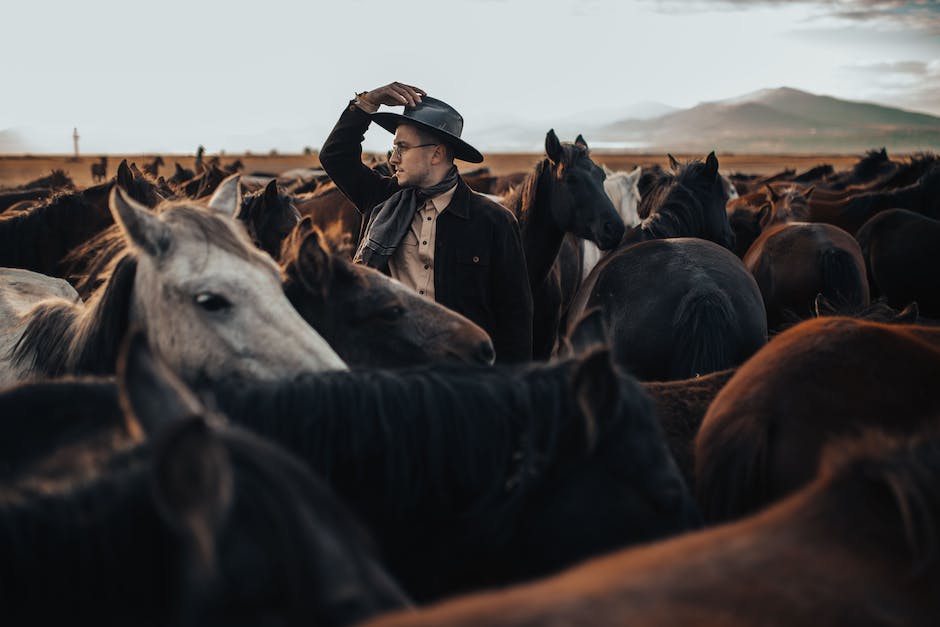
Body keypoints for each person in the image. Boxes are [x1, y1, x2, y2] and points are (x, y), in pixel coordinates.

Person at [319, 81, 533, 363]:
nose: (393, 159)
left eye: (402, 148)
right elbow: (335, 156)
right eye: (393, 148)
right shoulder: (381, 200)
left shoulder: (493, 221)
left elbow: (514, 319)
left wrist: (507, 393)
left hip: (459, 378)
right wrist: (367, 102)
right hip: (386, 367)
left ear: (436, 154)